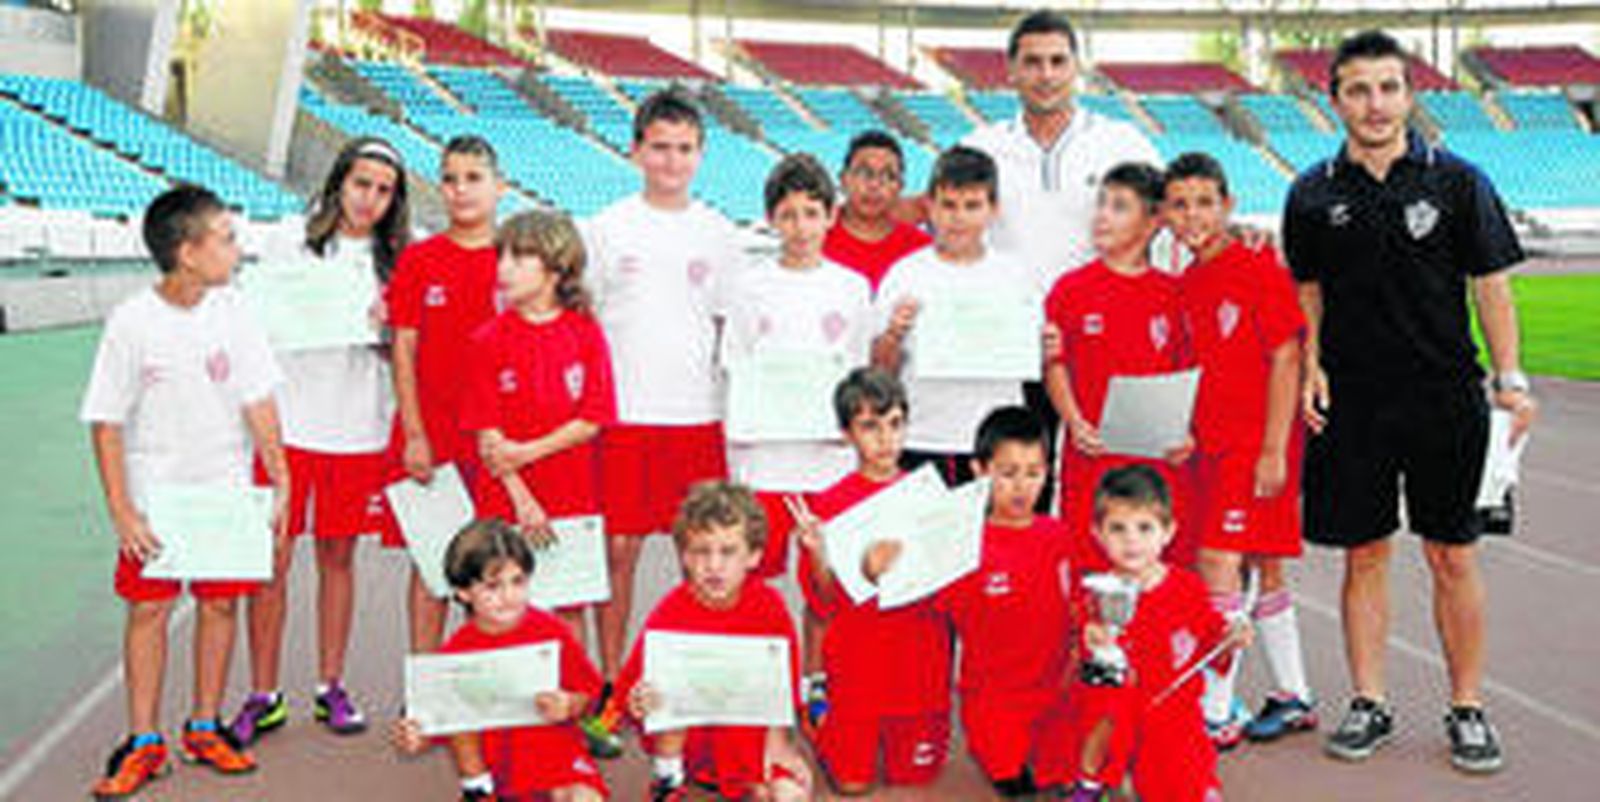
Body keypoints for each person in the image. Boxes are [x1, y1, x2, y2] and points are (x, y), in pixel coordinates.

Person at [1283, 30, 1536, 774]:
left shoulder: (1459, 180)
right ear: (1334, 99)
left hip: (1444, 396)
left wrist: (1511, 378)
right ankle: (1370, 701)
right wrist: (1312, 366)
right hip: (1353, 401)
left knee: (1451, 554)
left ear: (1409, 94)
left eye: (1388, 87)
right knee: (1363, 554)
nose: (1375, 103)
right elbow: (1308, 291)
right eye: (1358, 89)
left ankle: (1466, 706)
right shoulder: (1311, 191)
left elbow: (1491, 283)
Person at [82, 185, 289, 798]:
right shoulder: (131, 322)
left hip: (225, 488)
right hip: (155, 499)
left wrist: (280, 475)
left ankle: (204, 723)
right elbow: (106, 420)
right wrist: (122, 509)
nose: (237, 247)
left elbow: (257, 397)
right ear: (187, 251)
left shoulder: (236, 311)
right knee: (148, 611)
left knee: (220, 607)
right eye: (225, 237)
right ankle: (143, 739)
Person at [230, 136, 410, 746]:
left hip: (355, 430)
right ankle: (263, 693)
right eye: (362, 185)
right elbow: (253, 324)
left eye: (384, 191)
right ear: (339, 184)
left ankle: (330, 685)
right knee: (272, 564)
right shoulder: (288, 241)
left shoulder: (397, 261)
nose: (371, 200)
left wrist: (386, 333)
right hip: (287, 431)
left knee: (338, 559)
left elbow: (403, 354)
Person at [583, 91, 745, 745]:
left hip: (695, 416)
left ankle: (691, 681)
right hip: (623, 417)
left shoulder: (721, 234)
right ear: (636, 150)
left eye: (683, 149)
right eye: (659, 147)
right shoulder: (606, 228)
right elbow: (583, 323)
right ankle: (612, 684)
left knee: (699, 558)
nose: (671, 160)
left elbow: (734, 328)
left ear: (700, 155)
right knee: (617, 552)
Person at [1165, 152, 1317, 750]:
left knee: (1217, 563)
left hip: (1255, 446)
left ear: (1227, 204)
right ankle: (1293, 694)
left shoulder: (1256, 266)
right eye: (1179, 204)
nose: (1193, 215)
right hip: (1213, 447)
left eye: (1204, 202)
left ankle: (1216, 709)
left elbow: (1286, 354)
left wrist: (1275, 449)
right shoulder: (1186, 283)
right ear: (1166, 215)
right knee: (1264, 565)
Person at [790, 368, 952, 794]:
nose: (886, 439)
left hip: (920, 666)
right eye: (870, 426)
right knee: (852, 785)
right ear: (846, 434)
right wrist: (818, 553)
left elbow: (951, 589)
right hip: (857, 668)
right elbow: (823, 602)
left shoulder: (929, 496)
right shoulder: (826, 505)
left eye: (895, 424)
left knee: (915, 781)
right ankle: (821, 717)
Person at [459, 210, 616, 644]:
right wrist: (521, 497)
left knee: (567, 609)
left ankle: (573, 701)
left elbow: (593, 417)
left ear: (554, 268)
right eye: (501, 256)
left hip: (570, 492)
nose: (503, 269)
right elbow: (487, 433)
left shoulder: (585, 333)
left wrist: (527, 452)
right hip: (506, 497)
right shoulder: (487, 339)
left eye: (518, 258)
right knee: (499, 607)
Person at [723, 152, 872, 579]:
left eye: (811, 213)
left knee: (825, 583)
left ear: (831, 216)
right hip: (766, 461)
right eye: (788, 215)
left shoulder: (852, 287)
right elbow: (738, 365)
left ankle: (815, 651)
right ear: (771, 219)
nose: (800, 226)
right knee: (754, 578)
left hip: (828, 460)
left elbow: (856, 366)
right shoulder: (749, 286)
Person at [1061, 465, 1249, 802]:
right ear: (1097, 533)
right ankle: (1090, 784)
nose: (1131, 540)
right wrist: (1091, 639)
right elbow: (1085, 671)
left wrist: (1231, 637)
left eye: (1145, 528)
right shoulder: (1093, 594)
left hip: (1174, 722)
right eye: (1117, 528)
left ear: (1168, 532)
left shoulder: (1187, 588)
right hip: (1116, 718)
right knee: (1099, 721)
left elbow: (1213, 646)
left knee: (1186, 783)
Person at [618, 482, 810, 802]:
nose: (714, 566)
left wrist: (779, 748)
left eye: (728, 551)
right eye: (701, 552)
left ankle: (747, 778)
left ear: (753, 556)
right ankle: (668, 779)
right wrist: (637, 701)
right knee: (664, 691)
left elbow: (780, 689)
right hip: (690, 740)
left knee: (791, 795)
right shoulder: (670, 611)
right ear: (684, 557)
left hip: (744, 735)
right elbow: (628, 693)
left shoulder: (769, 606)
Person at [387, 135, 505, 655]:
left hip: (499, 441)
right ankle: (427, 685)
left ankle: (494, 681)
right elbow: (404, 350)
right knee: (433, 566)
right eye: (451, 179)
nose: (461, 190)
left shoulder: (518, 258)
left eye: (473, 178)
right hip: (434, 434)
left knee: (503, 567)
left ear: (499, 187)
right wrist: (414, 433)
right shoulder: (419, 260)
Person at [393, 519, 607, 802]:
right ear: (463, 593)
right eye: (492, 587)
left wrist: (570, 705)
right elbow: (433, 724)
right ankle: (478, 791)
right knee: (459, 701)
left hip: (557, 763)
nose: (508, 596)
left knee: (585, 800)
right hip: (493, 772)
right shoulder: (456, 652)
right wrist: (414, 737)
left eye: (517, 582)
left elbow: (598, 700)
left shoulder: (551, 632)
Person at [1045, 162, 1194, 567]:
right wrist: (1074, 420)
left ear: (1152, 222)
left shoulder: (1176, 294)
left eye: (1119, 207)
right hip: (1091, 459)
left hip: (1158, 463)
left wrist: (1189, 435)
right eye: (1101, 204)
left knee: (1156, 579)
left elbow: (1190, 376)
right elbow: (1055, 365)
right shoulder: (1070, 289)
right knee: (1089, 577)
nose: (1102, 216)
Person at [872, 146, 1048, 487]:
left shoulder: (1016, 275)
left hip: (999, 447)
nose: (959, 218)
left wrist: (1046, 347)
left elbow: (1035, 363)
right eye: (948, 205)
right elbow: (881, 371)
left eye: (972, 206)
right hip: (924, 437)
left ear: (993, 209)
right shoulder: (905, 274)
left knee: (993, 541)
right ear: (930, 208)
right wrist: (893, 334)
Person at [934, 407, 1078, 797]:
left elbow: (1080, 607)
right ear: (980, 470)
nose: (1022, 487)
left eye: (1034, 473)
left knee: (1072, 779)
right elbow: (934, 610)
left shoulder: (1059, 535)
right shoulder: (963, 545)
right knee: (1016, 783)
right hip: (994, 700)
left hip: (1055, 692)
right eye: (1008, 473)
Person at [962, 9, 1160, 290]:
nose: (1046, 75)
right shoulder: (979, 148)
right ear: (1011, 70)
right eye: (1032, 62)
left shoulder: (1123, 142)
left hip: (1099, 318)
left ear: (1075, 68)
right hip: (1006, 319)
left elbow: (1171, 212)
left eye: (1058, 62)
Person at [822, 130, 931, 290]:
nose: (874, 185)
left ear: (900, 187)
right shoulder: (812, 237)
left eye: (888, 176)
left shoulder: (921, 250)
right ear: (843, 179)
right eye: (864, 173)